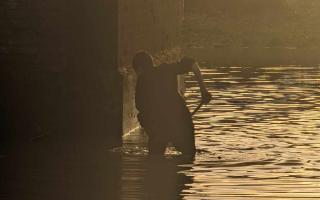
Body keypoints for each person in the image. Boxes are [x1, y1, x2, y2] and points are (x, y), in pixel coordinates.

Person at [133, 51, 211, 156]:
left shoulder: (141, 82)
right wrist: (203, 91)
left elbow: (142, 109)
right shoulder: (166, 70)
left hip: (160, 127)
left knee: (155, 159)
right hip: (182, 121)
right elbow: (193, 64)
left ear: (139, 69)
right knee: (189, 156)